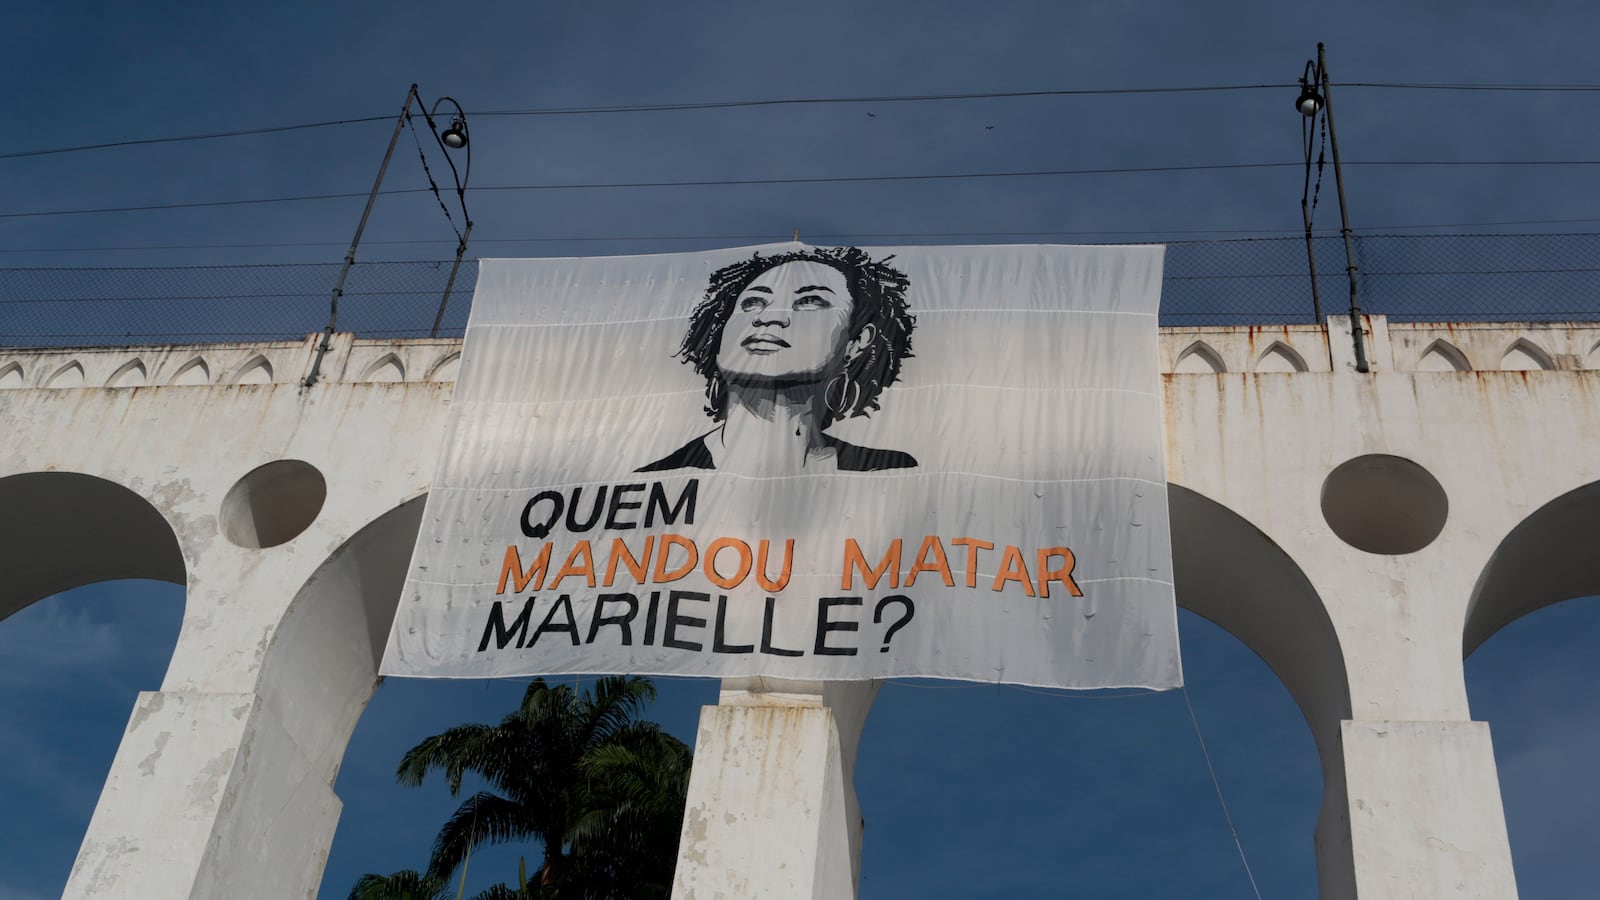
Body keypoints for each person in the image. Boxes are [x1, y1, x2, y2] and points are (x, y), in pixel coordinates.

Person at [639, 246, 918, 474]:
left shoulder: (889, 471)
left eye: (810, 301)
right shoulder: (661, 478)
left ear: (857, 341)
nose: (771, 317)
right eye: (753, 303)